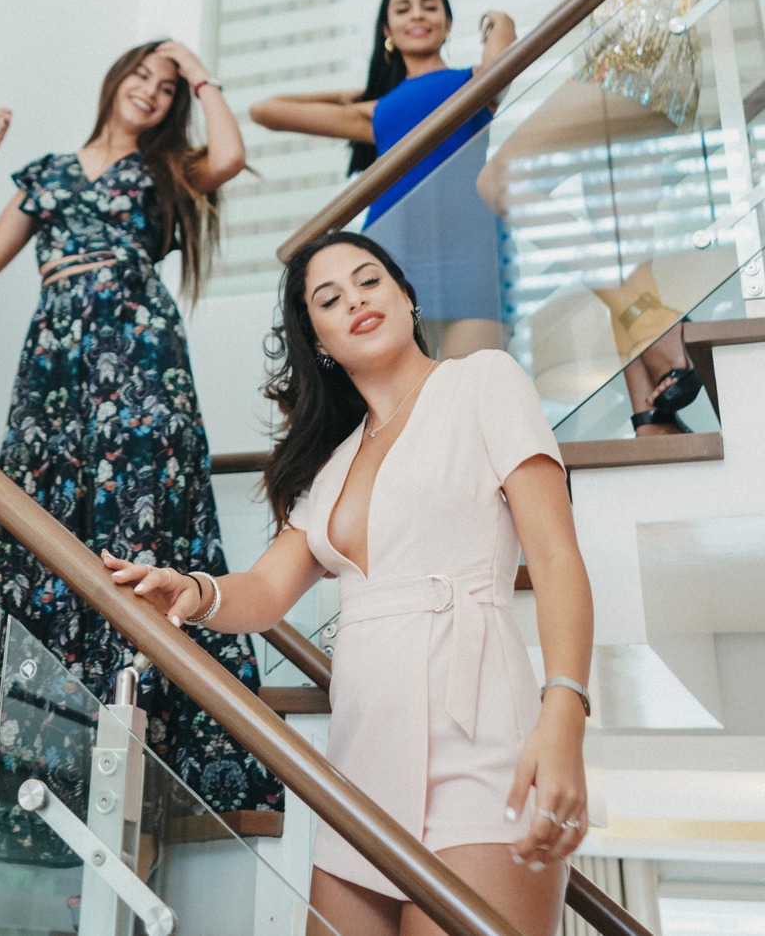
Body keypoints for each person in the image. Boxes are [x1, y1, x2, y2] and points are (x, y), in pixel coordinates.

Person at [104, 230, 593, 936]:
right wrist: (195, 590)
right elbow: (267, 590)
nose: (356, 300)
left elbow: (555, 559)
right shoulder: (331, 466)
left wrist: (564, 712)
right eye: (329, 298)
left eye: (369, 281)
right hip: (364, 759)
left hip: (482, 739)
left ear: (406, 295)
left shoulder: (483, 381)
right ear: (320, 341)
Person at [0, 41, 280, 915]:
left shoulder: (166, 173)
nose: (151, 94)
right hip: (53, 366)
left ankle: (140, 788)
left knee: (137, 541)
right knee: (33, 548)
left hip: (141, 360)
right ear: (113, 83)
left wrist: (202, 76)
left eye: (165, 88)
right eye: (141, 78)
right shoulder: (45, 171)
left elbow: (228, 155)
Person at [484, 0, 740, 431]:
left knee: (501, 179)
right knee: (623, 253)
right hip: (614, 73)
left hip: (646, 63)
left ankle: (659, 328)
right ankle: (656, 410)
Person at [250, 0, 516, 358]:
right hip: (395, 254)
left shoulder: (473, 83)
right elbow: (266, 111)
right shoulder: (377, 110)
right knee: (411, 400)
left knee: (476, 386)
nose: (417, 15)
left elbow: (503, 66)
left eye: (430, 6)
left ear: (448, 24)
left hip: (471, 252)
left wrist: (503, 22)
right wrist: (346, 95)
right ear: (388, 30)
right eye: (403, 9)